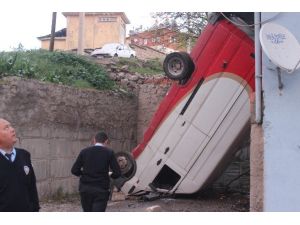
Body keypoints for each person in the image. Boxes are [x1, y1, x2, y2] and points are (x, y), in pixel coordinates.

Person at [71, 131, 121, 212]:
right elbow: (117, 173)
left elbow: (74, 170)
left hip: (85, 189)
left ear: (94, 140)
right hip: (101, 190)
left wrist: (83, 174)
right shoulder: (109, 153)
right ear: (106, 141)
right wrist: (110, 175)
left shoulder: (84, 152)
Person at [0, 118, 40, 212]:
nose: (12, 129)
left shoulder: (24, 155)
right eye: (6, 128)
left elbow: (32, 187)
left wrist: (35, 209)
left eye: (11, 126)